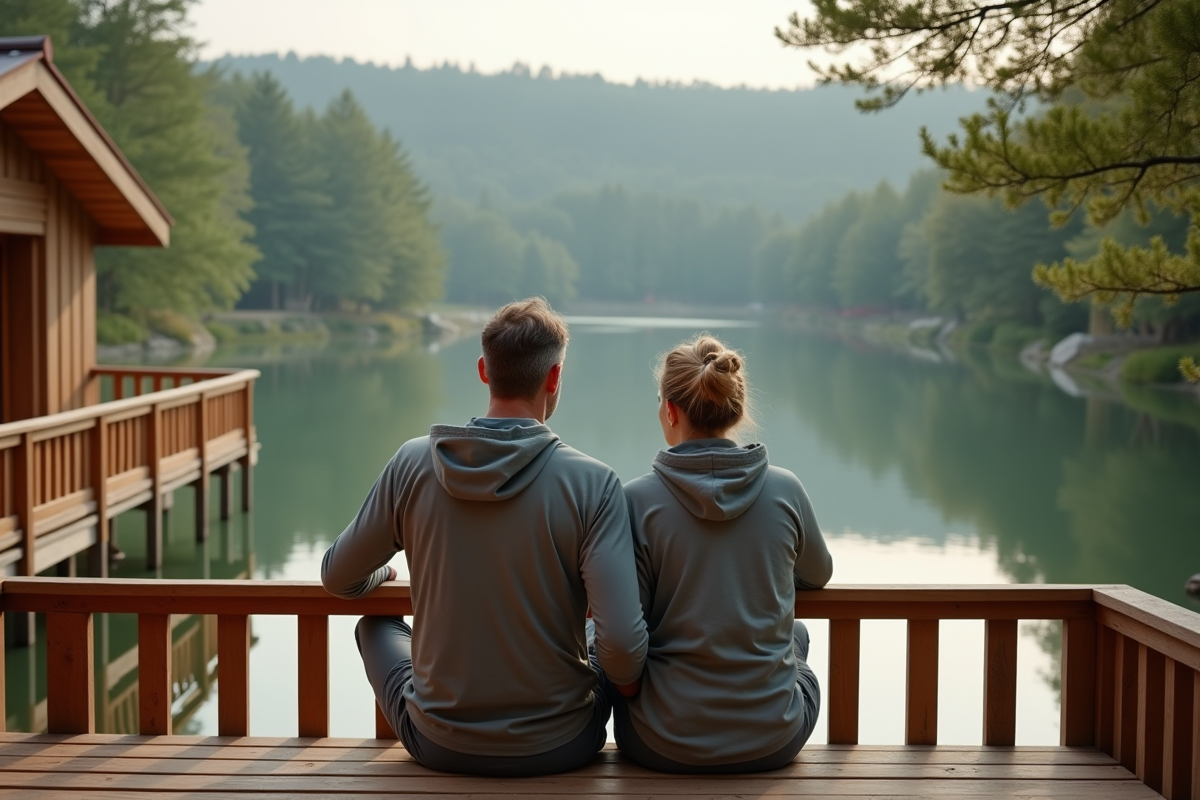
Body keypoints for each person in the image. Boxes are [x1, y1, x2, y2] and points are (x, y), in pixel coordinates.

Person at [321, 297, 648, 777]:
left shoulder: (412, 463)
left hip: (438, 744)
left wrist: (385, 574)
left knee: (375, 625)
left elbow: (338, 578)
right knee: (600, 634)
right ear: (554, 377)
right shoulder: (593, 483)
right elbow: (620, 646)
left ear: (483, 370)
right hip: (563, 744)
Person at [616, 333, 833, 773]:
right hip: (773, 741)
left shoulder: (635, 500)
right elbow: (819, 574)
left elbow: (626, 626)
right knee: (797, 635)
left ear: (670, 410)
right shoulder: (785, 489)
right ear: (735, 408)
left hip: (660, 743)